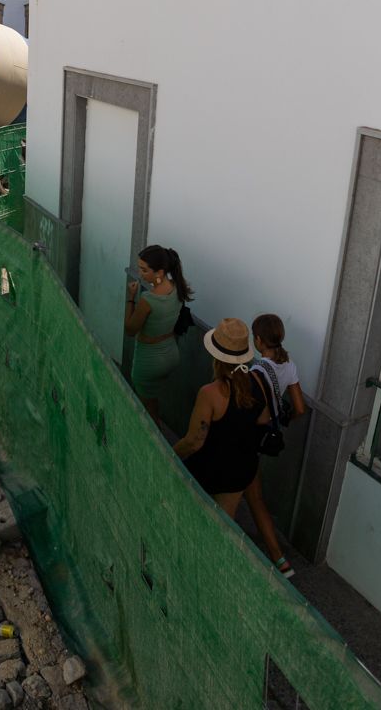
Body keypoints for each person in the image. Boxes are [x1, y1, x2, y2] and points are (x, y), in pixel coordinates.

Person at [175, 318, 270, 518]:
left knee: (189, 517)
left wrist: (170, 454)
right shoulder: (261, 381)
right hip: (241, 469)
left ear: (216, 356)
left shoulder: (210, 392)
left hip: (209, 469)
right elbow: (262, 421)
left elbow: (194, 442)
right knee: (223, 524)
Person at [243, 313, 307, 579]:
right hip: (266, 436)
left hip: (249, 435)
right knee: (250, 492)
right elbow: (301, 408)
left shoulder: (257, 370)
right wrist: (283, 419)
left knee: (252, 495)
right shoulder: (289, 364)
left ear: (258, 340)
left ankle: (279, 558)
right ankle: (279, 559)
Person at [123, 245, 193, 420]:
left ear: (159, 273)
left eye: (144, 270)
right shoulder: (178, 287)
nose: (140, 273)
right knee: (153, 401)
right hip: (170, 353)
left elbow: (130, 330)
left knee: (147, 411)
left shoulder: (148, 300)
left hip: (149, 361)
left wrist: (131, 297)